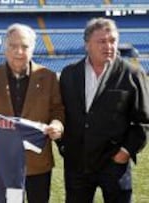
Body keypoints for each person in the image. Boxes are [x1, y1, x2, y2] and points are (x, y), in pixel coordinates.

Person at [59, 17, 149, 203]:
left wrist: (124, 152)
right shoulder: (69, 74)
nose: (108, 46)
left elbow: (143, 120)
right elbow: (60, 112)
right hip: (77, 165)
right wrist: (63, 146)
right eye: (102, 41)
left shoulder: (132, 74)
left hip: (115, 165)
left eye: (112, 41)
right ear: (87, 45)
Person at [0, 23, 65, 203]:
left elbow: (57, 110)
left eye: (24, 46)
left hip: (37, 162)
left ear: (32, 49)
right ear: (5, 48)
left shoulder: (47, 76)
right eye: (13, 46)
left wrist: (57, 125)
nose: (18, 51)